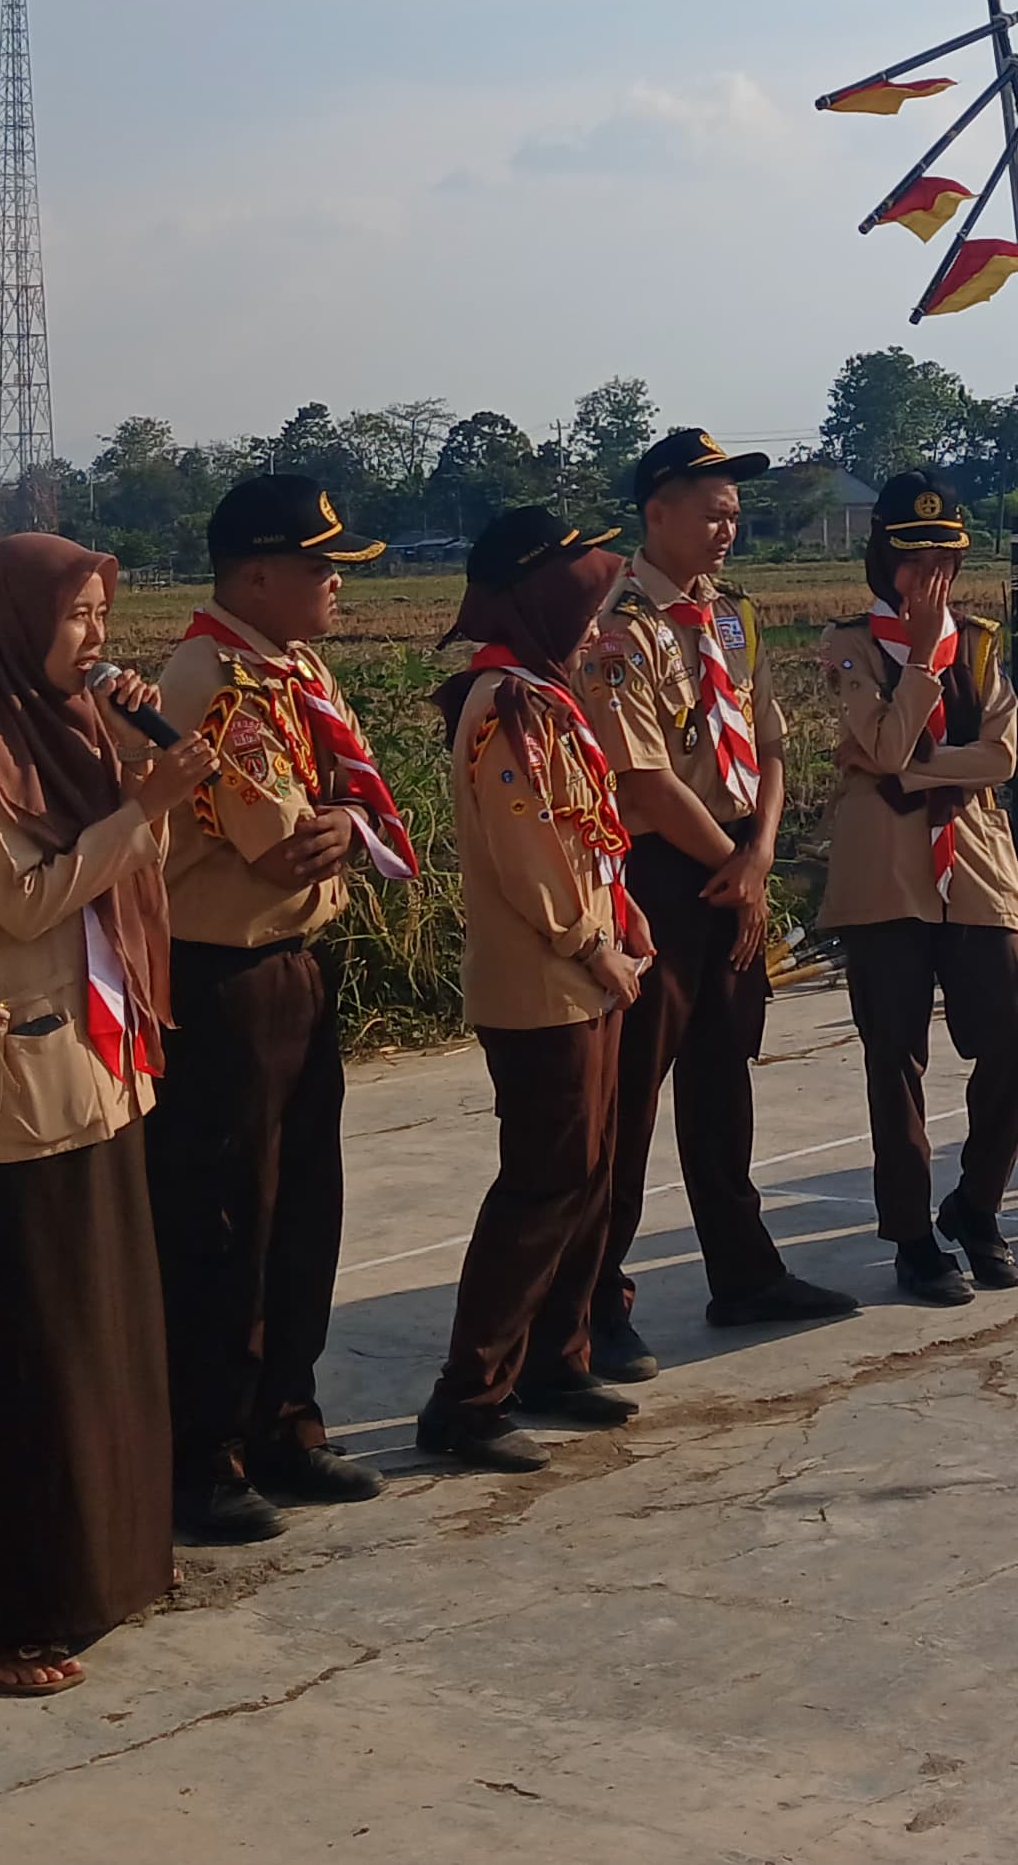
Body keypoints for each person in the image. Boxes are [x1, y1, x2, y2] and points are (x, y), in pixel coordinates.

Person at [0, 532, 213, 1698]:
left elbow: (134, 870)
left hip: (102, 1063)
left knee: (104, 1333)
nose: (96, 638)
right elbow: (26, 901)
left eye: (100, 614)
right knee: (27, 1356)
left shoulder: (67, 730)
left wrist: (139, 777)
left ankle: (100, 1571)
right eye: (76, 615)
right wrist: (138, 803)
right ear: (10, 621)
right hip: (26, 1082)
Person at [148, 475, 399, 1545]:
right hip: (225, 978)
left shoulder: (295, 671)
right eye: (318, 566)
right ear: (255, 573)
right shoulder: (211, 678)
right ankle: (206, 1452)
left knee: (304, 1208)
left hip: (294, 960)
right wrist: (339, 825)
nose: (336, 585)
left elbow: (349, 811)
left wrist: (345, 822)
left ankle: (285, 1417)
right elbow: (284, 840)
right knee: (224, 1226)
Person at [587, 430, 854, 1368]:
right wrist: (734, 872)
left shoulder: (732, 618)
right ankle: (596, 1301)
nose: (727, 528)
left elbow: (770, 745)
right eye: (711, 510)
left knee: (722, 1072)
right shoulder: (620, 627)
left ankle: (743, 1271)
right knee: (629, 1093)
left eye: (735, 513)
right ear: (655, 512)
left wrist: (761, 853)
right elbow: (643, 781)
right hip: (663, 869)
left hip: (736, 857)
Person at [415, 510, 651, 1472]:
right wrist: (600, 947)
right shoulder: (505, 704)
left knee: (588, 1174)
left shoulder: (544, 694)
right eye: (588, 607)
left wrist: (621, 918)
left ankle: (557, 1358)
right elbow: (531, 857)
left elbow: (582, 833)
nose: (598, 629)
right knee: (544, 1182)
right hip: (544, 984)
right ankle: (468, 1397)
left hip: (583, 973)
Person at [817, 476, 1018, 1302]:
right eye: (913, 559)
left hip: (974, 862)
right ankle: (912, 1233)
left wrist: (915, 771)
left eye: (943, 557)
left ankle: (976, 1205)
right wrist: (917, 659)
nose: (930, 577)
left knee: (1014, 1037)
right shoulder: (851, 645)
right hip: (886, 876)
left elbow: (1000, 757)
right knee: (895, 1056)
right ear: (885, 561)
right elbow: (878, 741)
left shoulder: (980, 645)